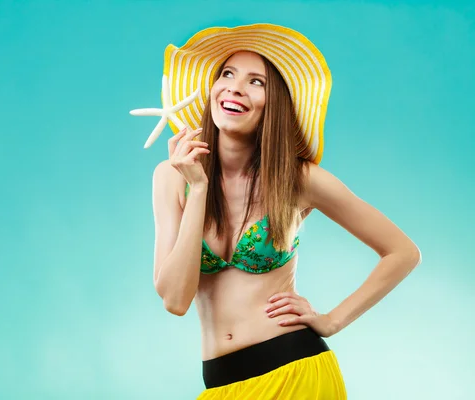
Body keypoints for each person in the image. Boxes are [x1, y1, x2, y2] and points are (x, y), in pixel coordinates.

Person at [149, 24, 421, 399]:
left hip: (299, 374)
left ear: (272, 103)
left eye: (255, 82)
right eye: (227, 74)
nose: (235, 87)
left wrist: (332, 320)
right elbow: (175, 300)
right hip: (222, 385)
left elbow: (403, 252)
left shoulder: (299, 179)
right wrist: (198, 189)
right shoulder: (170, 177)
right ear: (211, 89)